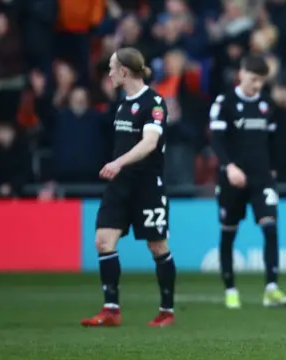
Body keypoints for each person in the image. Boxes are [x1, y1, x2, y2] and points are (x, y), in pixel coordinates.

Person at [80, 47, 176, 327]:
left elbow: (149, 143)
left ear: (124, 70)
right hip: (119, 186)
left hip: (147, 186)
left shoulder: (154, 102)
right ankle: (111, 310)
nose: (109, 73)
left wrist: (118, 162)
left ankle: (166, 311)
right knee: (102, 241)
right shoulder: (122, 104)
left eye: (111, 67)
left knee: (157, 247)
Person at [209, 55, 286, 309]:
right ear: (241, 73)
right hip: (232, 179)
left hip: (261, 178)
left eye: (261, 81)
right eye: (254, 79)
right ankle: (230, 289)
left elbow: (270, 143)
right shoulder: (224, 102)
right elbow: (216, 140)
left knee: (270, 226)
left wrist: (273, 169)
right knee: (228, 232)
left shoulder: (267, 105)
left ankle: (271, 288)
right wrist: (229, 167)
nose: (257, 85)